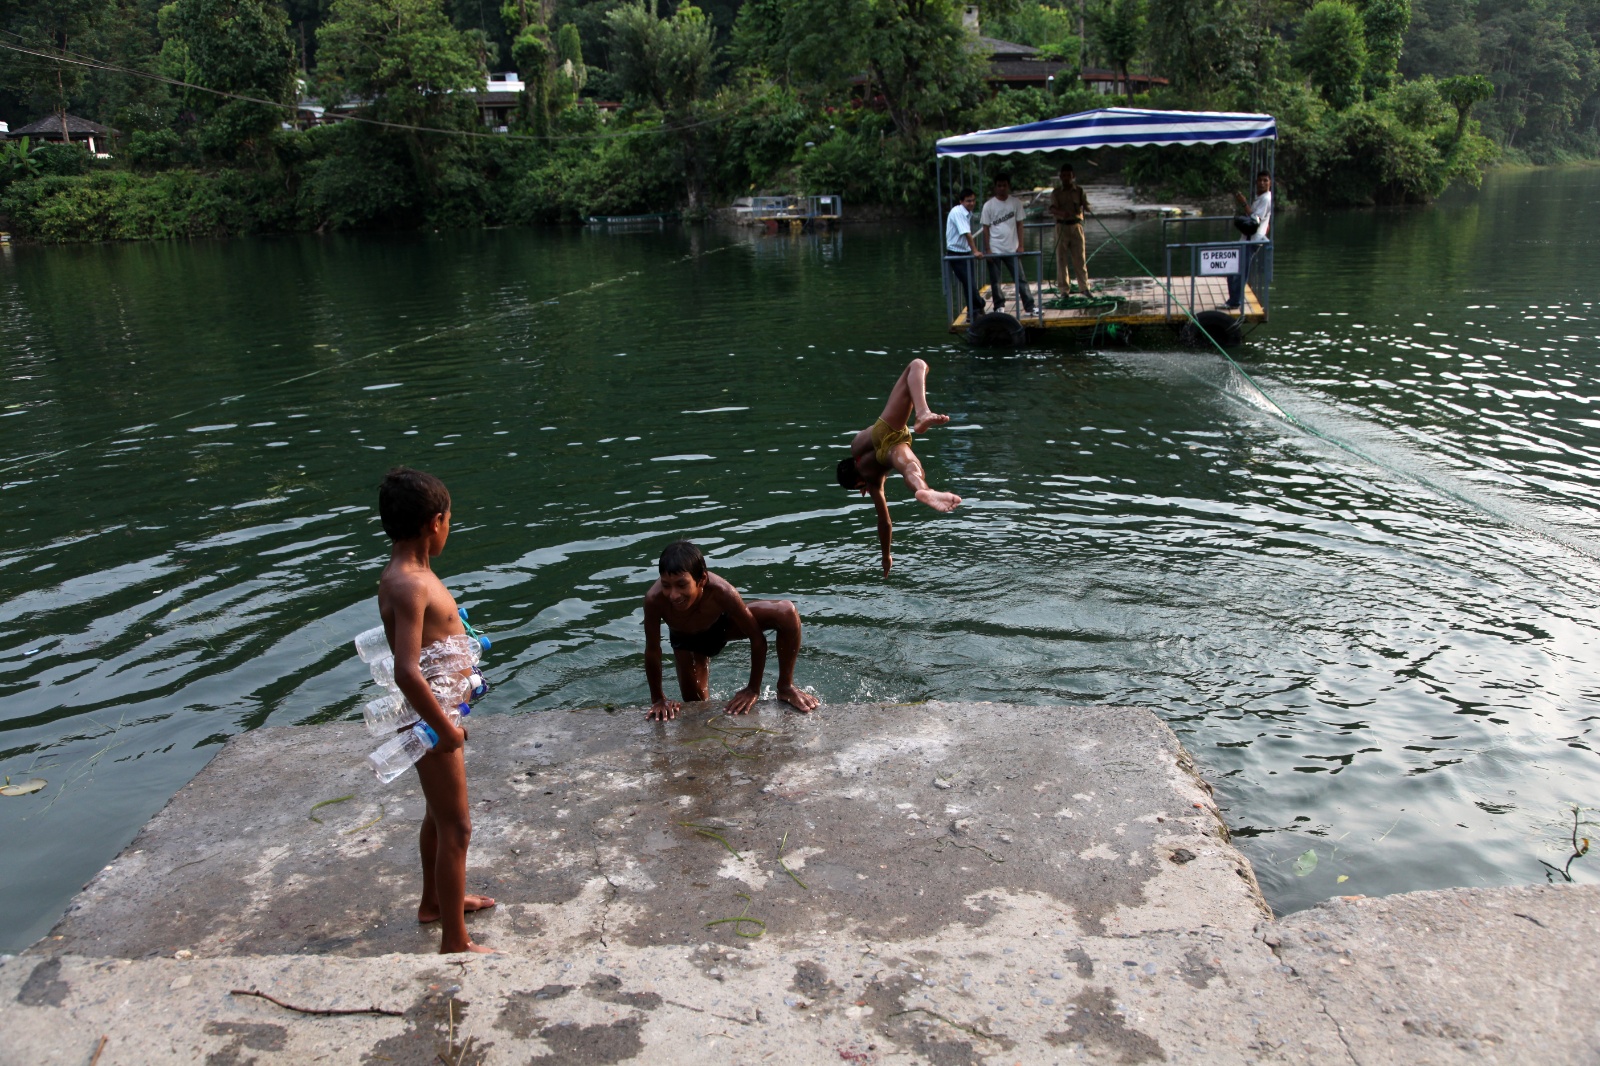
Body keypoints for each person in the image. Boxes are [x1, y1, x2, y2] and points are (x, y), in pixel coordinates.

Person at [375, 467, 496, 955]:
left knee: (437, 815)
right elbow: (406, 671)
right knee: (457, 827)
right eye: (450, 521)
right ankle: (455, 943)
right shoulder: (410, 584)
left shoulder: (414, 574)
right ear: (436, 522)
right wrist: (444, 729)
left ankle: (435, 902)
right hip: (431, 720)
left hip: (439, 711)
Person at [642, 540, 820, 721]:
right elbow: (653, 651)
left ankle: (786, 687)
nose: (673, 595)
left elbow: (757, 638)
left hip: (722, 627)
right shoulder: (654, 600)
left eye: (681, 585)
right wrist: (658, 699)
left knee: (786, 612)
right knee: (696, 705)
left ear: (701, 579)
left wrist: (753, 689)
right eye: (666, 585)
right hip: (686, 642)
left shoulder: (722, 592)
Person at [835, 358, 963, 575]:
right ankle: (922, 412)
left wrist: (886, 556)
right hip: (885, 430)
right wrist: (862, 482)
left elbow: (884, 523)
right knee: (917, 365)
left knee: (911, 468)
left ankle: (924, 490)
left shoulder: (874, 482)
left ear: (858, 484)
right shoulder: (855, 447)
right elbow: (862, 457)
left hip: (892, 447)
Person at [979, 174, 1035, 316]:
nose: (1002, 188)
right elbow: (985, 228)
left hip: (1012, 248)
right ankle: (999, 306)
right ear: (995, 187)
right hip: (994, 248)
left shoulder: (1015, 203)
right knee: (995, 280)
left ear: (1008, 186)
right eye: (999, 185)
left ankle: (1029, 306)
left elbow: (1020, 224)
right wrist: (987, 249)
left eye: (1004, 185)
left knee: (1021, 278)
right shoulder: (988, 205)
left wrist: (1021, 245)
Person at [1226, 170, 1273, 310]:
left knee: (1239, 271)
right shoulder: (1261, 197)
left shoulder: (1265, 199)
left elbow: (1255, 219)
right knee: (1235, 269)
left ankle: (1235, 301)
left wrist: (1243, 203)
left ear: (1270, 183)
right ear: (1256, 182)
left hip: (1252, 240)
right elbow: (1264, 219)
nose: (1262, 183)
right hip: (1248, 238)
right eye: (1260, 180)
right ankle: (1234, 299)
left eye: (1265, 180)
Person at [1049, 163, 1091, 296]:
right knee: (1061, 259)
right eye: (1064, 175)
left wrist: (1087, 207)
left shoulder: (1079, 191)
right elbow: (1052, 208)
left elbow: (1085, 205)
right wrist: (1061, 213)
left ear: (1073, 176)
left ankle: (1084, 288)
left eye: (1069, 175)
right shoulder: (1056, 193)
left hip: (1076, 227)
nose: (1066, 178)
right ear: (1061, 177)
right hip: (1061, 227)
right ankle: (1064, 290)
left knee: (1080, 258)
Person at [945, 187, 985, 321]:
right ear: (961, 201)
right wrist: (975, 251)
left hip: (965, 252)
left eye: (973, 200)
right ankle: (979, 305)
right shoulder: (958, 212)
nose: (971, 203)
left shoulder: (968, 213)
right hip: (956, 254)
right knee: (968, 283)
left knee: (969, 283)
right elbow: (966, 233)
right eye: (968, 201)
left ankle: (973, 311)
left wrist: (971, 251)